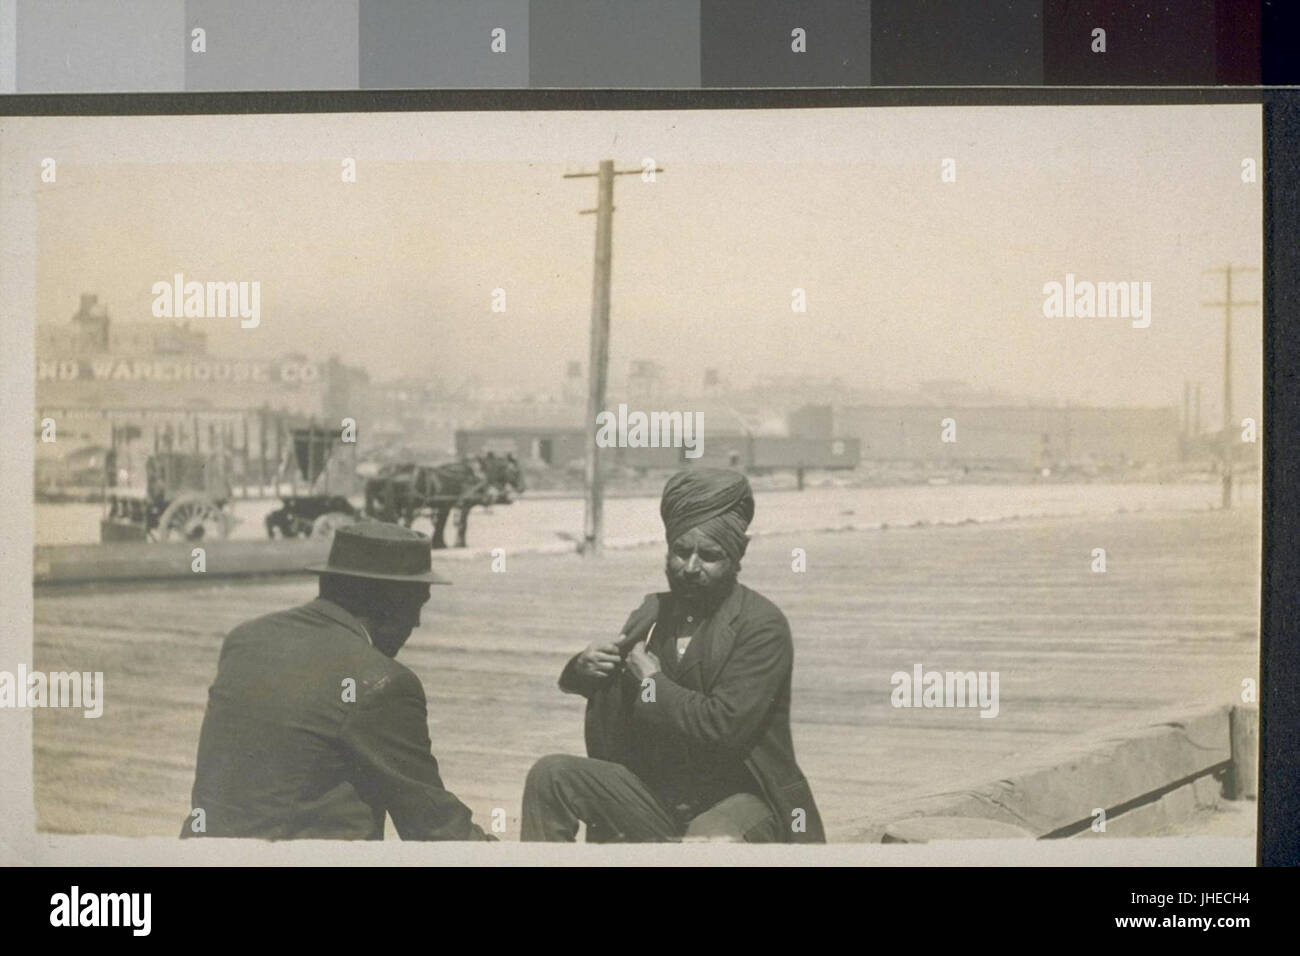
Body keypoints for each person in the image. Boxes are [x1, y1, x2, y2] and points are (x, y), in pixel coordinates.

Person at [522, 468, 825, 843]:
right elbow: (611, 681)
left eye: (709, 556)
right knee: (551, 776)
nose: (691, 568)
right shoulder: (653, 613)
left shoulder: (761, 626)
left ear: (735, 558)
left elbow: (723, 727)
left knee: (705, 843)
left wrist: (652, 684)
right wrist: (581, 669)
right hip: (658, 797)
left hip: (742, 798)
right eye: (681, 552)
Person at [181, 522, 490, 841]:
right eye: (416, 604)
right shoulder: (383, 682)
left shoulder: (246, 640)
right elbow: (434, 827)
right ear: (386, 599)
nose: (417, 621)